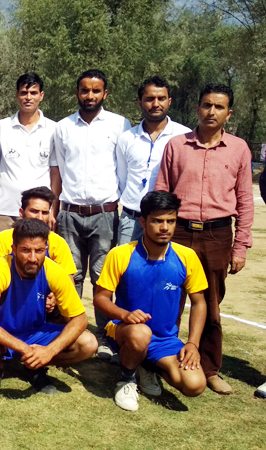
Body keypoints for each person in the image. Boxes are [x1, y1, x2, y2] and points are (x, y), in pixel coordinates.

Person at [155, 83, 254, 395]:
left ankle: (209, 368)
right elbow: (162, 191)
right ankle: (162, 360)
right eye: (207, 105)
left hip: (217, 234)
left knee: (210, 303)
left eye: (219, 107)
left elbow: (245, 201)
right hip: (178, 232)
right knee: (167, 298)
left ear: (229, 113)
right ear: (197, 108)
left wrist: (241, 245)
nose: (212, 112)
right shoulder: (176, 145)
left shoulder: (239, 149)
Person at [94, 191, 207, 411]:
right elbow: (100, 298)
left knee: (194, 385)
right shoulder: (121, 254)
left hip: (165, 339)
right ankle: (127, 379)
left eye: (171, 221)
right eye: (157, 221)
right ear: (143, 222)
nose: (165, 227)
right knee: (140, 333)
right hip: (125, 331)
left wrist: (193, 343)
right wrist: (124, 315)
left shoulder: (187, 257)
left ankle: (145, 365)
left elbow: (199, 303)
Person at [50, 69, 131, 360]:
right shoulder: (63, 127)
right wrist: (54, 209)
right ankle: (69, 331)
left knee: (102, 277)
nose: (90, 95)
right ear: (77, 93)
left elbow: (123, 169)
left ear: (105, 94)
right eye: (85, 90)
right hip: (69, 213)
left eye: (96, 90)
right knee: (70, 275)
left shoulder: (120, 125)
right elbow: (58, 170)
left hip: (104, 214)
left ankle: (106, 335)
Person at [0, 219, 97, 396]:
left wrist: (49, 351)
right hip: (1, 336)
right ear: (14, 249)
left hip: (36, 333)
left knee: (89, 344)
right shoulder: (0, 269)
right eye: (25, 250)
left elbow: (80, 319)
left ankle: (36, 365)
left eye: (39, 251)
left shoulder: (54, 270)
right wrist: (25, 349)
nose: (32, 258)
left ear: (46, 249)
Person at [116, 76, 190, 244]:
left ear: (169, 101)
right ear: (139, 102)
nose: (156, 104)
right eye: (149, 99)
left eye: (161, 98)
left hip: (166, 221)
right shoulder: (127, 138)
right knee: (127, 260)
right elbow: (123, 179)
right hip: (131, 219)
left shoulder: (184, 136)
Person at [0, 73, 55, 236]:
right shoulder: (1, 127)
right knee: (3, 253)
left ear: (41, 96)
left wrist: (53, 210)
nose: (28, 97)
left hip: (39, 212)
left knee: (36, 252)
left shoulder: (53, 129)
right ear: (16, 95)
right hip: (5, 212)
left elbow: (56, 173)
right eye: (23, 93)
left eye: (33, 93)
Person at [0, 187, 76, 276]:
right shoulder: (1, 240)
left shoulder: (58, 243)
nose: (40, 217)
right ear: (21, 212)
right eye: (34, 211)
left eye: (44, 213)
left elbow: (67, 280)